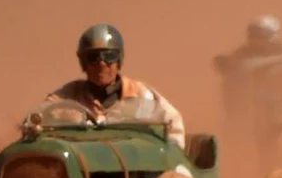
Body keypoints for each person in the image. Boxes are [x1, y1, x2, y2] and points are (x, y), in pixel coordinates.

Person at [47, 23, 187, 148]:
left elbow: (173, 125)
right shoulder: (66, 98)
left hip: (132, 171)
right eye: (93, 57)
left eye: (109, 56)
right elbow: (37, 123)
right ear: (83, 62)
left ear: (119, 60)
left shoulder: (142, 96)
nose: (101, 64)